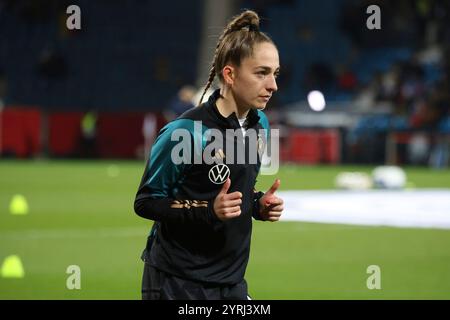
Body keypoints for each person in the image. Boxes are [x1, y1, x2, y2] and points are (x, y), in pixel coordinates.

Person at [134, 10, 284, 300]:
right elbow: (146, 202)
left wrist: (257, 204)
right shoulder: (186, 132)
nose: (273, 85)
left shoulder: (260, 125)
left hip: (231, 282)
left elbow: (234, 191)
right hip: (176, 283)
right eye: (261, 73)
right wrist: (207, 210)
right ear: (229, 73)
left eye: (275, 74)